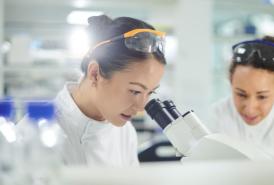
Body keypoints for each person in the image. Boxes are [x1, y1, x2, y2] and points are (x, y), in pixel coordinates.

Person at [52, 15, 166, 166]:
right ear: (95, 74)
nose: (140, 107)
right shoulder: (42, 135)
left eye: (150, 92)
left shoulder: (125, 133)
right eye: (135, 91)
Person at [210, 36, 274, 157]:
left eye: (262, 97)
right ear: (230, 81)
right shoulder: (214, 117)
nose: (250, 109)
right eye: (241, 94)